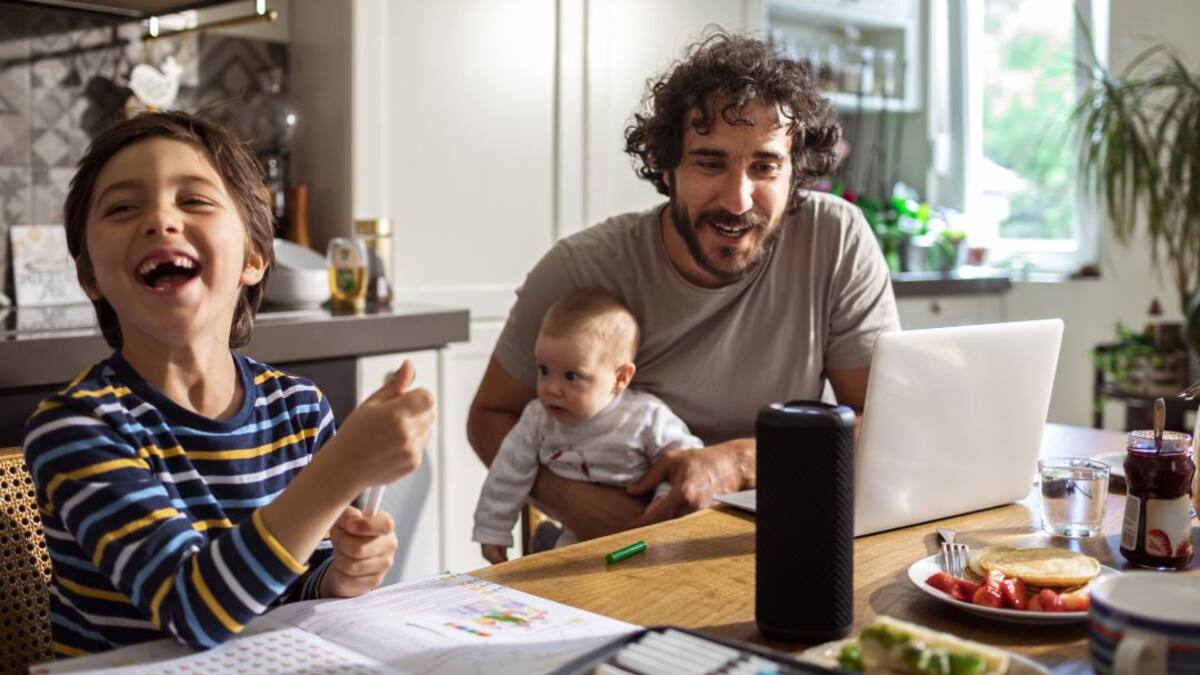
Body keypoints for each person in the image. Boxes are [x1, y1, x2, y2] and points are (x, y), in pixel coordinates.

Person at [23, 111, 435, 656]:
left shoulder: (299, 409)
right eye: (123, 208)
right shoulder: (77, 426)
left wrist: (338, 578)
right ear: (89, 277)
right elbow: (191, 609)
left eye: (193, 200)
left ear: (255, 258)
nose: (160, 220)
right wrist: (343, 470)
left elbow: (285, 588)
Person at [467, 32, 899, 542]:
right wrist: (589, 510)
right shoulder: (581, 269)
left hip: (782, 528)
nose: (738, 201)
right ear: (667, 167)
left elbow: (886, 421)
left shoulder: (835, 238)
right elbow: (490, 416)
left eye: (764, 166)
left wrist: (741, 461)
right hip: (619, 543)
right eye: (710, 163)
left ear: (795, 173)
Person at [472, 290, 702, 563]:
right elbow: (508, 471)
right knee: (564, 576)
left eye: (572, 376)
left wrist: (659, 513)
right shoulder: (538, 419)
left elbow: (688, 463)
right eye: (543, 370)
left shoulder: (645, 417)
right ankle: (546, 541)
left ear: (620, 378)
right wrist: (493, 530)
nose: (552, 388)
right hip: (577, 535)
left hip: (648, 534)